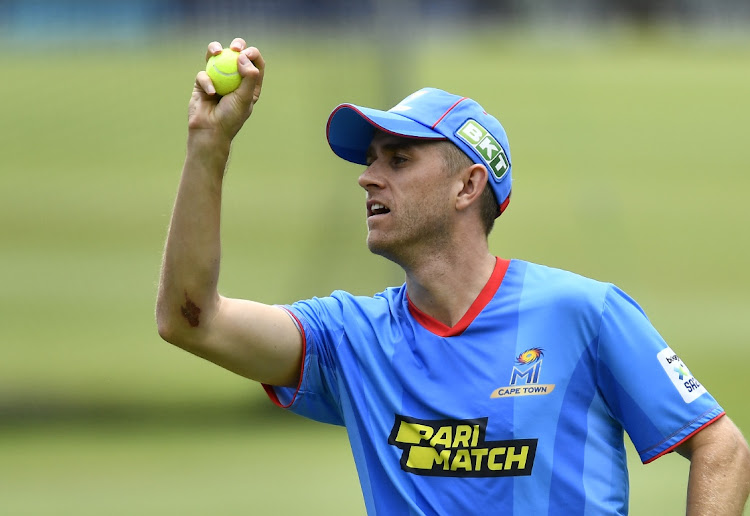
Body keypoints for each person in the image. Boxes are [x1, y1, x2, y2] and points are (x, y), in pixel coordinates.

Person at [156, 38, 750, 515]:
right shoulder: (350, 338)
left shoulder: (585, 313)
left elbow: (722, 447)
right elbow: (193, 322)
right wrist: (208, 146)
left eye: (399, 159)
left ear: (467, 186)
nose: (368, 178)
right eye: (369, 161)